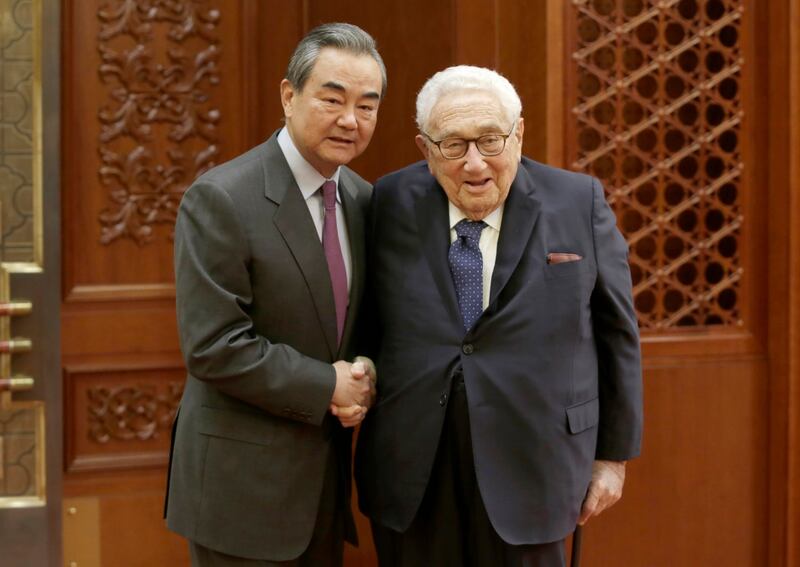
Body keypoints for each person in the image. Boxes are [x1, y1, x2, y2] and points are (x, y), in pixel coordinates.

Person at [355, 65, 642, 567]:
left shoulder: (579, 202)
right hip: (415, 468)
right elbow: (366, 320)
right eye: (453, 145)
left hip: (539, 465)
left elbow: (617, 333)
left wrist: (613, 458)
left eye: (490, 140)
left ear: (518, 134)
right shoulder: (388, 201)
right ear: (424, 148)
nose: (474, 164)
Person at [164, 23, 386, 567]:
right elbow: (214, 345)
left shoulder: (364, 199)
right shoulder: (222, 198)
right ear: (289, 96)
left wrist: (367, 372)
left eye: (367, 105)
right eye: (332, 99)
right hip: (243, 493)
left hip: (323, 493)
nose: (350, 120)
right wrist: (326, 384)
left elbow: (365, 325)